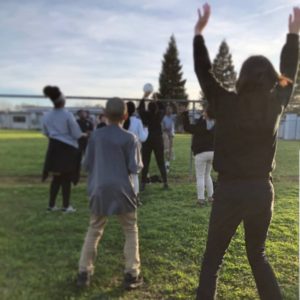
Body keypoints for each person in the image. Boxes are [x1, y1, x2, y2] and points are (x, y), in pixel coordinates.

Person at [193, 4, 299, 300]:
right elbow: (288, 75)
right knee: (258, 255)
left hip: (229, 190)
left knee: (212, 260)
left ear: (242, 76)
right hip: (260, 192)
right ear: (271, 78)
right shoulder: (276, 103)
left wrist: (198, 36)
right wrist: (293, 37)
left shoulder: (226, 102)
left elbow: (204, 73)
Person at [77, 98, 143, 290]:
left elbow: (86, 164)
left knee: (95, 228)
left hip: (99, 188)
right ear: (125, 115)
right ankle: (132, 274)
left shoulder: (95, 136)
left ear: (104, 114)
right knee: (130, 229)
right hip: (123, 189)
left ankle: (84, 272)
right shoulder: (130, 138)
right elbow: (135, 167)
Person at [42, 85, 85, 213]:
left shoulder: (46, 115)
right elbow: (76, 134)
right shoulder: (67, 115)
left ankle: (51, 205)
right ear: (62, 100)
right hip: (67, 150)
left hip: (54, 148)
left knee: (56, 178)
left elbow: (45, 132)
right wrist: (84, 135)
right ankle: (66, 206)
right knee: (66, 178)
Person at [181, 102, 215, 206]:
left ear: (206, 113)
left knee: (200, 176)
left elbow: (188, 128)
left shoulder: (201, 124)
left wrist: (185, 114)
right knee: (207, 175)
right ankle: (211, 197)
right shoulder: (216, 124)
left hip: (201, 152)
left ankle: (201, 199)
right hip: (213, 152)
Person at [138, 92, 168, 191]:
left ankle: (143, 183)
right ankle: (165, 182)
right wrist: (157, 100)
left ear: (148, 108)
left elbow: (140, 109)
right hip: (158, 140)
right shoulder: (159, 115)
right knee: (161, 161)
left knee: (145, 162)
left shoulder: (145, 115)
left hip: (147, 139)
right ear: (156, 108)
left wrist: (144, 97)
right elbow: (164, 109)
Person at [123, 101, 149, 195]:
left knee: (124, 174)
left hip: (122, 150)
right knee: (134, 174)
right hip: (134, 150)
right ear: (134, 110)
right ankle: (135, 196)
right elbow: (143, 138)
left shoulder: (122, 120)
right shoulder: (137, 121)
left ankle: (124, 195)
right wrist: (146, 129)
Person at [162, 105, 175, 173]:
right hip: (166, 135)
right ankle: (166, 165)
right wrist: (166, 129)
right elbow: (163, 127)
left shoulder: (173, 117)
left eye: (170, 109)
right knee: (166, 149)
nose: (169, 111)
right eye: (167, 109)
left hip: (171, 135)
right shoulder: (164, 118)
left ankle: (167, 164)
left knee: (170, 150)